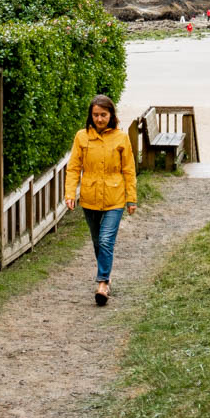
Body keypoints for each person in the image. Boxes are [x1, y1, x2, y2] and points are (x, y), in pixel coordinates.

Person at [65, 94, 137, 305]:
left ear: (111, 115)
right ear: (91, 116)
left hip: (115, 198)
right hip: (89, 198)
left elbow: (129, 171)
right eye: (95, 115)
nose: (99, 119)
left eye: (103, 115)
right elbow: (73, 168)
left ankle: (102, 283)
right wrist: (70, 193)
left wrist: (131, 199)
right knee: (98, 242)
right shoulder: (81, 137)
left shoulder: (121, 138)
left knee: (106, 240)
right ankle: (105, 275)